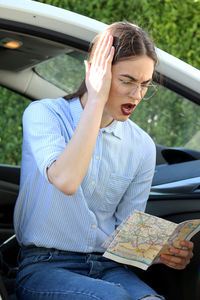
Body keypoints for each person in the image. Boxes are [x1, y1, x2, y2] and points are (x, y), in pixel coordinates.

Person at [14, 22, 193, 300]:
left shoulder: (141, 146)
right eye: (127, 81)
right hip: (44, 265)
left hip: (108, 266)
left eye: (145, 84)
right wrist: (96, 99)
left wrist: (161, 252)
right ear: (97, 73)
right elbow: (66, 180)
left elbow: (125, 232)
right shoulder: (45, 115)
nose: (137, 95)